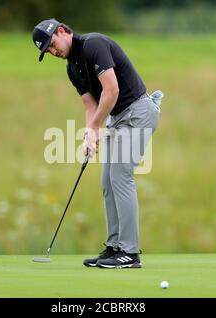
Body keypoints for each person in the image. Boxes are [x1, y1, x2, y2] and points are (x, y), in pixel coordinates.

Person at [32, 18, 163, 269]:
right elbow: (90, 104)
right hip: (118, 119)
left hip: (138, 113)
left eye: (51, 44)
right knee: (107, 182)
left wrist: (95, 125)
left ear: (62, 31)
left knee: (121, 177)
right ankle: (115, 248)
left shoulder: (94, 44)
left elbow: (111, 90)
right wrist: (90, 134)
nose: (52, 51)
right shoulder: (72, 68)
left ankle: (130, 253)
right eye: (47, 50)